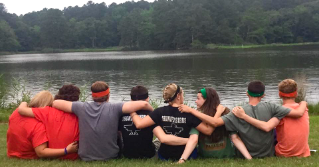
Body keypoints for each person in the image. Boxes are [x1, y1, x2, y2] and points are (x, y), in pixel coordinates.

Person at [179, 81, 307, 158]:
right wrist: (303, 102)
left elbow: (215, 123)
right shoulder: (272, 107)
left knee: (235, 134)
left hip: (245, 153)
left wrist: (191, 111)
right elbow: (298, 113)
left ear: (247, 93)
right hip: (268, 153)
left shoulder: (237, 111)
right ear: (263, 95)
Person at [51, 81, 154, 161]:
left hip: (85, 156)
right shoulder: (115, 107)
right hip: (110, 156)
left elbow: (55, 103)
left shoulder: (81, 107)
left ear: (92, 96)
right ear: (108, 95)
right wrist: (154, 112)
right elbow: (144, 104)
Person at [130, 83, 214, 162]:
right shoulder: (189, 114)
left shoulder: (159, 112)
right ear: (178, 96)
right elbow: (208, 131)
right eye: (182, 95)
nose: (183, 97)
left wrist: (132, 111)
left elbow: (139, 124)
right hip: (189, 156)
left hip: (164, 156)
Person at [232, 79, 310, 157]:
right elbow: (299, 113)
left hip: (284, 153)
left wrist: (244, 116)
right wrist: (303, 102)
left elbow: (267, 127)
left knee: (271, 131)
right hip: (304, 152)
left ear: (280, 95)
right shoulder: (304, 109)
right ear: (296, 94)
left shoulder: (279, 111)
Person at [119, 85, 191, 159]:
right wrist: (190, 141)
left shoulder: (122, 113)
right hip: (148, 154)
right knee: (158, 139)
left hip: (127, 154)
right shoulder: (151, 115)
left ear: (131, 99)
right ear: (147, 99)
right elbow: (163, 138)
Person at [178, 88, 251, 159]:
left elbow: (194, 138)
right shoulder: (225, 113)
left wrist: (182, 159)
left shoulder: (197, 116)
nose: (195, 101)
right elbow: (235, 138)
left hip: (205, 156)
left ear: (207, 100)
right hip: (227, 156)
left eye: (198, 98)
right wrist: (249, 158)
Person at [7, 91, 78, 159]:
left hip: (12, 152)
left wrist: (24, 102)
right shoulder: (38, 126)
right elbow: (41, 152)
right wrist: (66, 150)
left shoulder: (16, 113)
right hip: (26, 156)